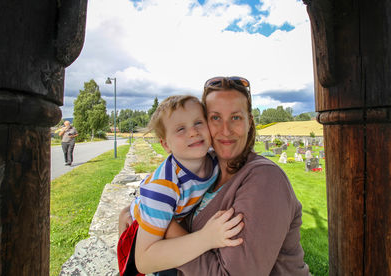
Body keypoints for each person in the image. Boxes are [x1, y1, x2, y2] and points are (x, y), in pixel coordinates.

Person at [120, 77, 310, 275]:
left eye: (236, 117)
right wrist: (139, 208)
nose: (225, 130)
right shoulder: (206, 167)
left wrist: (166, 226)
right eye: (215, 118)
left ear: (249, 122)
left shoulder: (266, 180)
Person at [117, 95, 244, 276]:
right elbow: (144, 262)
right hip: (148, 229)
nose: (192, 132)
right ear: (165, 144)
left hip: (171, 220)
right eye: (180, 129)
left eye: (198, 123)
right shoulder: (164, 187)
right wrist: (206, 239)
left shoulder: (214, 157)